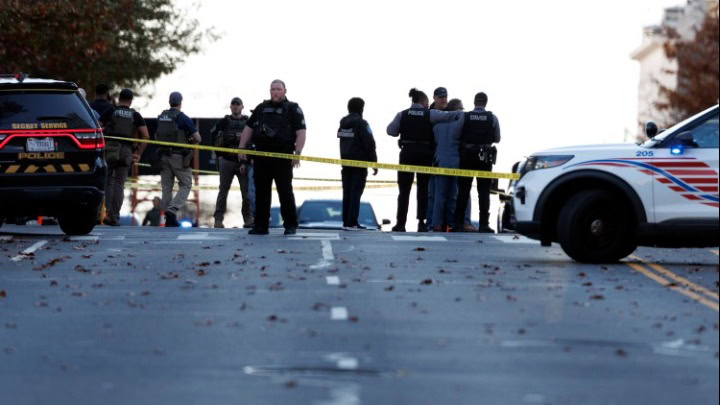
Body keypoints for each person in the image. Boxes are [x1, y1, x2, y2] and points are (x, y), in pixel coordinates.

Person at [386, 88, 462, 232]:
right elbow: (447, 116)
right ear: (423, 101)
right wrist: (463, 114)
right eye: (427, 103)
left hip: (407, 153)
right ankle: (421, 222)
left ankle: (400, 223)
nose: (428, 105)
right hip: (425, 154)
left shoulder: (402, 114)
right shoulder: (429, 114)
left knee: (404, 191)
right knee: (423, 190)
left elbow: (390, 131)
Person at [238, 80, 305, 236]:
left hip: (283, 157)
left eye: (278, 89)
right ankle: (261, 226)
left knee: (285, 192)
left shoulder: (293, 108)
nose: (275, 92)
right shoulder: (261, 108)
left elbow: (301, 132)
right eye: (273, 89)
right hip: (261, 157)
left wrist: (297, 153)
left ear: (285, 91)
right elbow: (248, 128)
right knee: (261, 193)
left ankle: (290, 225)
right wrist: (241, 147)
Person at [98, 88, 149, 226]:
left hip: (110, 150)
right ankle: (115, 216)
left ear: (119, 99)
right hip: (126, 151)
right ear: (131, 101)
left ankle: (108, 214)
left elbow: (97, 127)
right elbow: (146, 136)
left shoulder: (110, 111)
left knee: (109, 181)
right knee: (120, 184)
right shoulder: (135, 115)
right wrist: (138, 153)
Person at [454, 92, 501, 233]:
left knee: (463, 191)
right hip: (484, 157)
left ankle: (458, 224)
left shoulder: (465, 116)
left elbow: (456, 134)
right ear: (486, 103)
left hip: (467, 156)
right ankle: (484, 225)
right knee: (484, 192)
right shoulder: (492, 118)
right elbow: (497, 139)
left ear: (474, 102)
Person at [156, 91, 202, 227]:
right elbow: (198, 138)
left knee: (166, 187)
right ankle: (171, 210)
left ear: (169, 102)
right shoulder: (183, 118)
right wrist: (189, 141)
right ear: (180, 102)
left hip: (163, 156)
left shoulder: (162, 117)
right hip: (179, 157)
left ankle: (168, 219)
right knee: (186, 184)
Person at [211, 97, 254, 229]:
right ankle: (218, 220)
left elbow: (253, 142)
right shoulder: (223, 122)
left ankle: (248, 219)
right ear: (230, 107)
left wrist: (247, 160)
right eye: (233, 104)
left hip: (243, 162)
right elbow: (213, 140)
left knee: (246, 193)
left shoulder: (248, 122)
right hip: (227, 161)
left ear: (242, 106)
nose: (235, 106)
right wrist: (220, 156)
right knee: (223, 192)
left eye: (238, 104)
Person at [337, 97, 378, 230]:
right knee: (356, 193)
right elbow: (370, 143)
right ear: (361, 109)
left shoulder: (343, 122)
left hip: (345, 162)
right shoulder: (361, 123)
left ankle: (347, 221)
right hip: (359, 164)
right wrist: (374, 162)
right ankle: (353, 221)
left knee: (347, 193)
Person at [430, 98, 465, 231]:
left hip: (439, 163)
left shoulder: (437, 127)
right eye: (461, 108)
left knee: (439, 196)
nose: (462, 110)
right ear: (456, 110)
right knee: (453, 196)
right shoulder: (458, 126)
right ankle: (451, 223)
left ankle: (437, 224)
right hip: (455, 164)